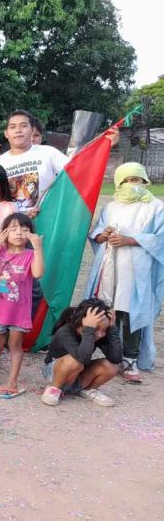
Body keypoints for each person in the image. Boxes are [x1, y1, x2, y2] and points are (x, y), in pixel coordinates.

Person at [85, 162, 164, 381]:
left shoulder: (155, 206)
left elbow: (160, 238)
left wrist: (130, 240)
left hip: (137, 268)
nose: (132, 184)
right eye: (127, 180)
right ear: (119, 182)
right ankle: (109, 357)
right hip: (110, 265)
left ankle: (130, 360)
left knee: (131, 312)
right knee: (108, 311)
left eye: (136, 180)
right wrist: (105, 235)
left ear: (145, 181)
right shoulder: (112, 207)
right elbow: (96, 234)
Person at [0, 213, 44, 398]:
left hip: (19, 312)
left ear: (31, 233)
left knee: (15, 346)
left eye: (24, 229)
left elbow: (37, 273)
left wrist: (38, 248)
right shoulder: (0, 252)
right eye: (13, 229)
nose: (19, 232)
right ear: (4, 232)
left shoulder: (30, 255)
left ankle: (12, 382)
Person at [0, 110, 70, 216]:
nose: (18, 130)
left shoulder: (49, 153)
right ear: (6, 133)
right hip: (13, 226)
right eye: (12, 127)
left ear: (32, 131)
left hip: (48, 219)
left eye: (23, 126)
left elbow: (74, 175)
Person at [41, 298, 120, 407]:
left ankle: (87, 390)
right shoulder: (65, 332)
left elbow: (115, 358)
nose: (100, 334)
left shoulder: (99, 334)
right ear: (80, 322)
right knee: (75, 360)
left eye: (104, 329)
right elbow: (82, 358)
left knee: (112, 366)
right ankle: (54, 389)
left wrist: (112, 330)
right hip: (56, 372)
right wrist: (89, 331)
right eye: (96, 328)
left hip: (79, 371)